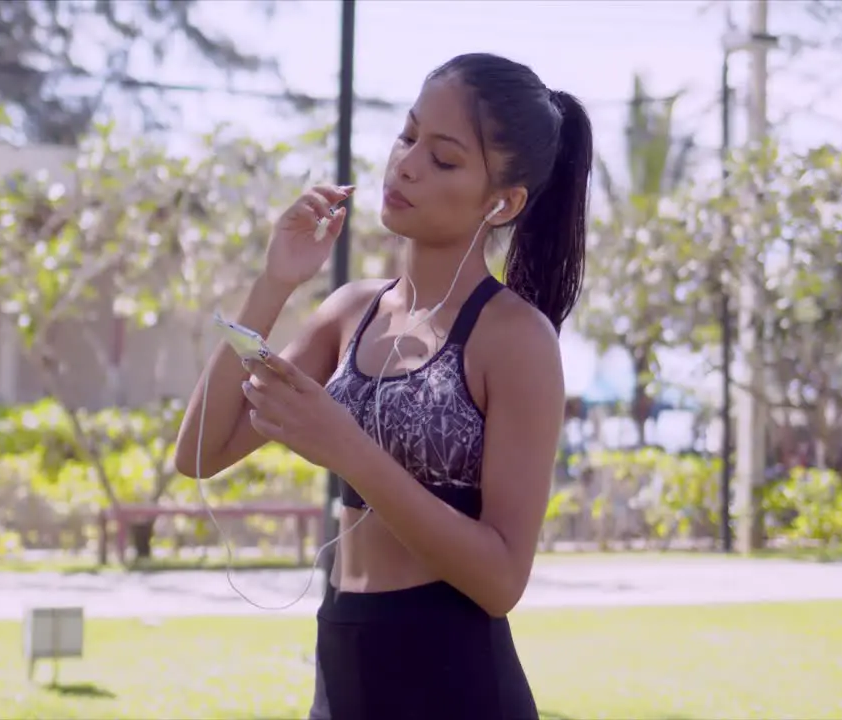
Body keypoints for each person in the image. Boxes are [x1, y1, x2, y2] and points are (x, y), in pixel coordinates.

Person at [174, 52, 593, 720]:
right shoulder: (349, 311)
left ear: (503, 201)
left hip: (456, 682)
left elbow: (501, 579)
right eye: (407, 136)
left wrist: (348, 449)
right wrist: (275, 282)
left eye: (444, 158)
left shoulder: (515, 338)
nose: (406, 164)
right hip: (341, 672)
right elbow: (199, 452)